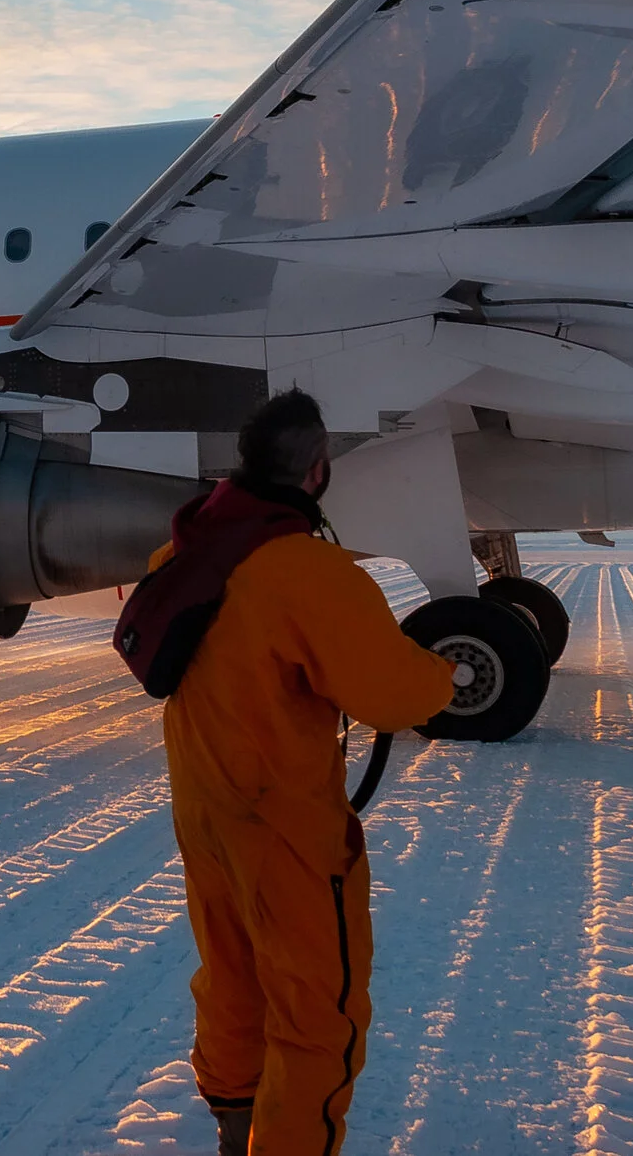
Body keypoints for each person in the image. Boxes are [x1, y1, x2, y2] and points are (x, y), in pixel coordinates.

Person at [153, 390, 456, 1155]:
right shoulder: (307, 573)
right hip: (283, 829)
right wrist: (442, 675)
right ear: (318, 472)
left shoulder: (183, 552)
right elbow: (395, 696)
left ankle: (232, 1120)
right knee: (319, 1010)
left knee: (231, 977)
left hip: (204, 815)